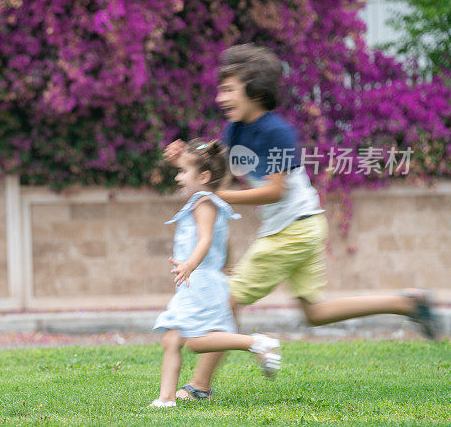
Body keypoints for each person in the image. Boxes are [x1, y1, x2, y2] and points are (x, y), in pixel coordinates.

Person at [166, 44, 439, 401]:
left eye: (229, 89)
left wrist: (218, 198)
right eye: (221, 89)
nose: (221, 97)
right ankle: (408, 303)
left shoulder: (278, 134)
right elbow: (214, 171)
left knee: (227, 300)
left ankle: (200, 386)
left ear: (256, 92)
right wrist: (184, 157)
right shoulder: (234, 131)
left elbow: (276, 191)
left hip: (293, 228)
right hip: (302, 226)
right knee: (315, 312)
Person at [149, 139, 282, 408]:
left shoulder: (202, 202)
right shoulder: (207, 199)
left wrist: (189, 265)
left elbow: (206, 240)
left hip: (198, 281)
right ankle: (166, 399)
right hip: (201, 280)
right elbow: (222, 242)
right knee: (172, 338)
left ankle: (256, 342)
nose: (178, 177)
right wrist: (182, 160)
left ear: (204, 177)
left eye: (183, 172)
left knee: (196, 343)